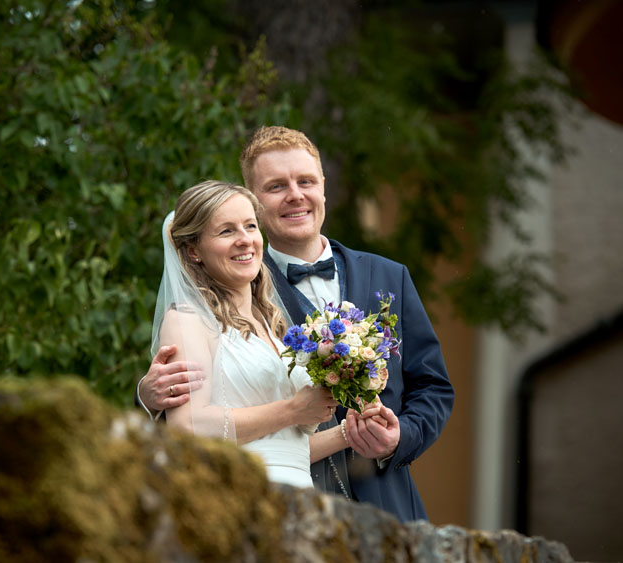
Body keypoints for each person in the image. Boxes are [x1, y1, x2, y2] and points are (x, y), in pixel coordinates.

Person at [140, 126, 454, 522]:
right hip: (273, 502)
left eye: (306, 181)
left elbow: (433, 387)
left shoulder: (389, 277)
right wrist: (146, 398)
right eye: (276, 186)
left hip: (384, 502)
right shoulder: (231, 282)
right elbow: (190, 410)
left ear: (323, 186)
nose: (295, 195)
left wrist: (394, 437)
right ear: (254, 198)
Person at [151, 180, 353, 488]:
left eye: (250, 226)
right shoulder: (187, 321)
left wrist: (347, 432)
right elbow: (188, 427)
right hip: (238, 495)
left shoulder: (274, 327)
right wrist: (292, 410)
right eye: (227, 231)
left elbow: (284, 448)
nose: (245, 240)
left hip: (299, 495)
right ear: (193, 251)